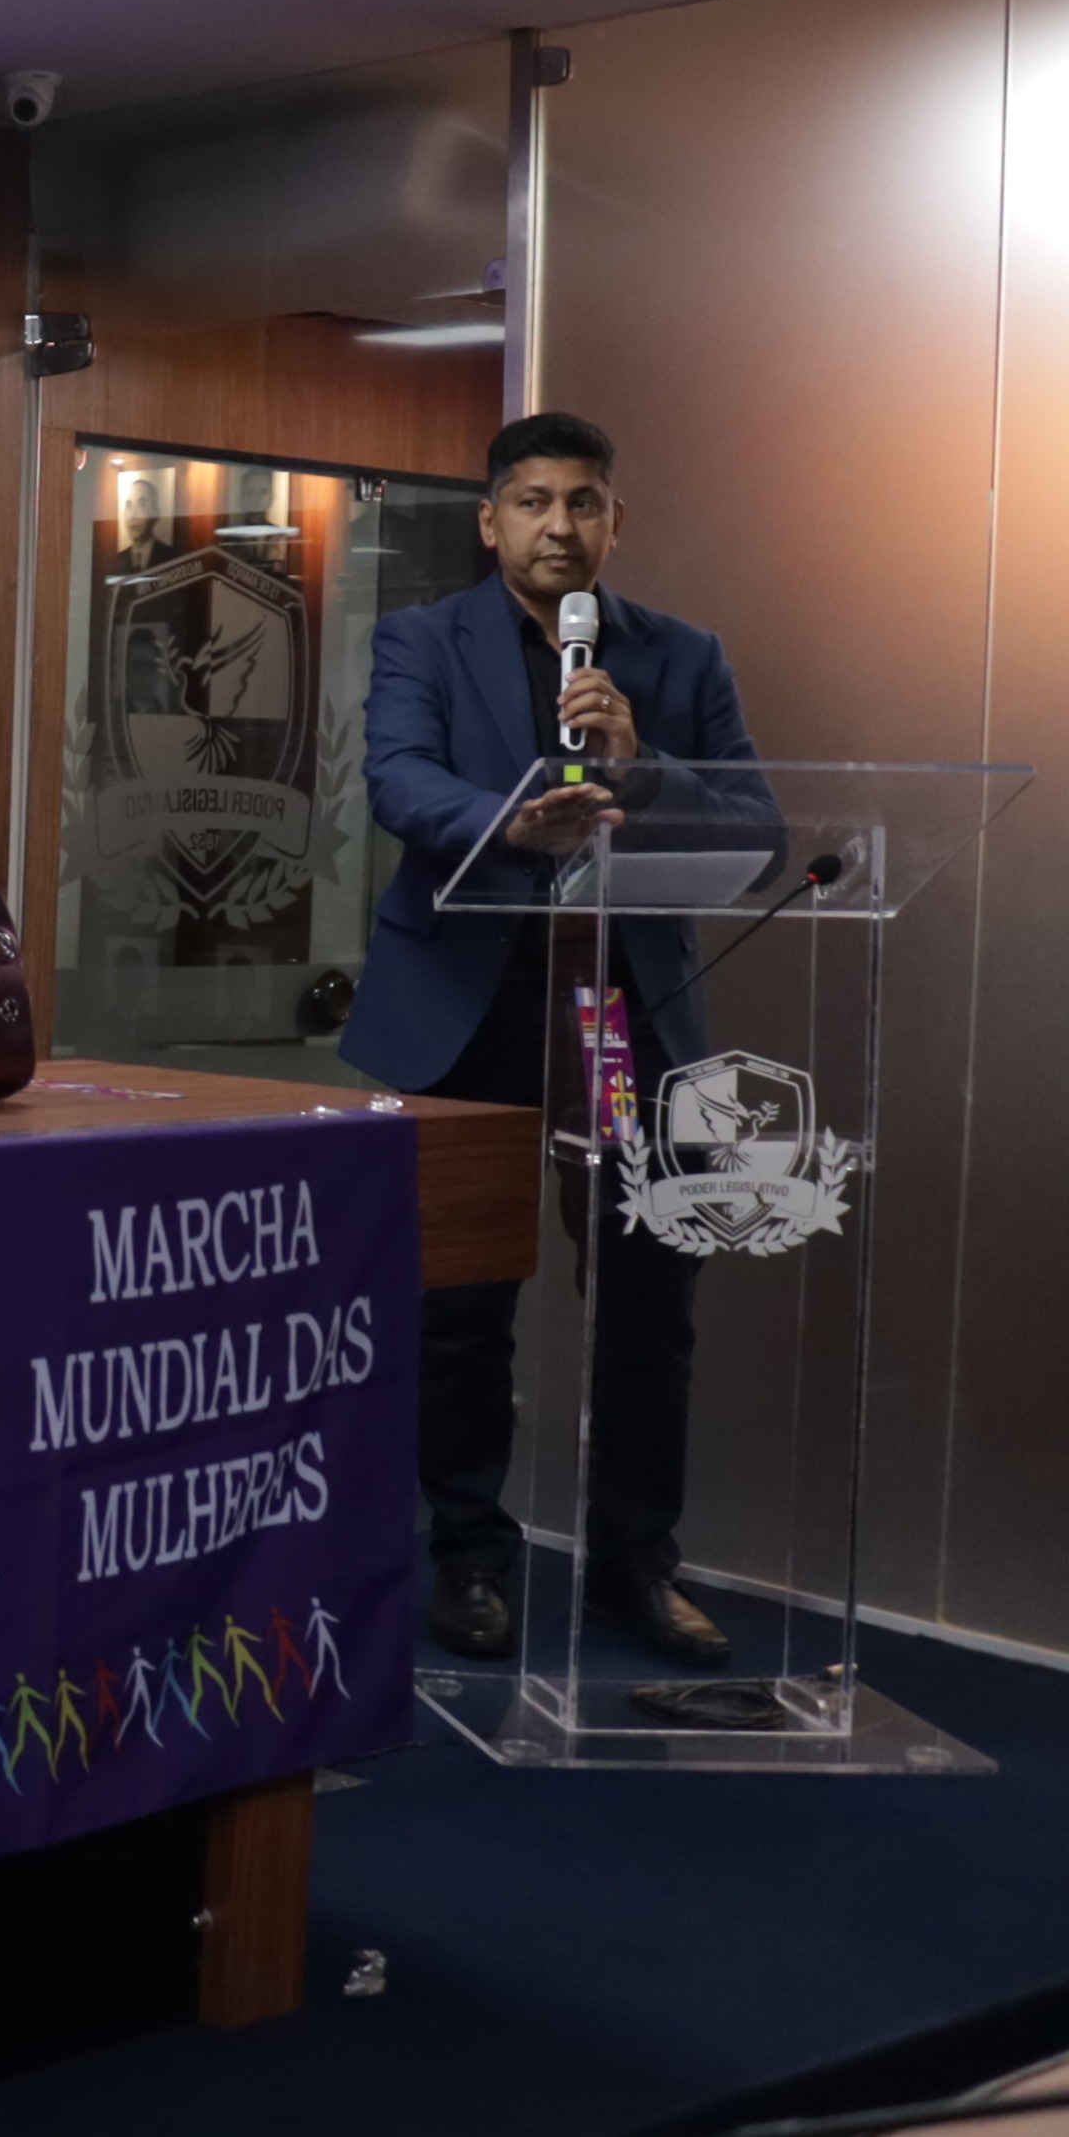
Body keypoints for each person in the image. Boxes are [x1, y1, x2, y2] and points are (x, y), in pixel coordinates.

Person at [343, 412, 759, 1668]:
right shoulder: (422, 638)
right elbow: (395, 776)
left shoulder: (680, 655)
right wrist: (507, 820)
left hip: (615, 1017)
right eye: (531, 502)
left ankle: (634, 1565)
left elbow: (756, 824)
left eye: (581, 503)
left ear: (613, 523)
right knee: (460, 1306)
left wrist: (643, 764)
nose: (556, 527)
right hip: (466, 1012)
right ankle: (468, 1555)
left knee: (644, 1302)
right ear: (490, 522)